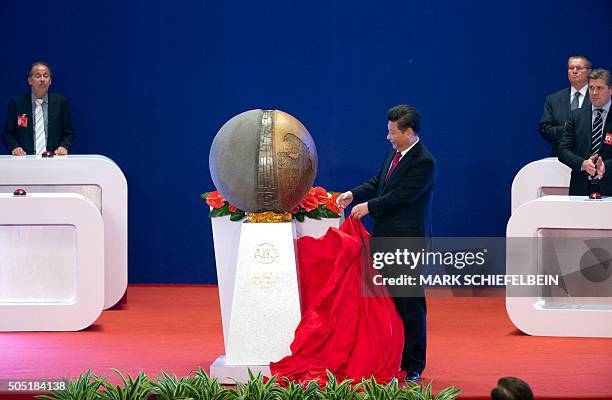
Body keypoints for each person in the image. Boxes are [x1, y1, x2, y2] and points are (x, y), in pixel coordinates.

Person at [336, 104, 436, 381]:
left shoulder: (424, 162)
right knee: (388, 304)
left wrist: (368, 207)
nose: (388, 137)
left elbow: (402, 196)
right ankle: (391, 360)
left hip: (406, 244)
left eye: (393, 132)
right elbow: (379, 183)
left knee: (410, 304)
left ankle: (414, 364)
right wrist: (352, 194)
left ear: (409, 131)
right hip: (385, 241)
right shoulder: (394, 154)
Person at [558, 68, 612, 196]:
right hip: (580, 188)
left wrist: (606, 167)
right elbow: (563, 151)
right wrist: (583, 164)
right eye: (591, 88)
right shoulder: (576, 116)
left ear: (610, 90)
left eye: (599, 88)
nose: (594, 92)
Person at [2, 61, 74, 156]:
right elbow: (8, 134)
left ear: (50, 81)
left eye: (46, 76)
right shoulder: (17, 103)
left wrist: (64, 146)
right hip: (25, 160)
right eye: (38, 76)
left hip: (53, 159)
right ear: (29, 80)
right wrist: (15, 147)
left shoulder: (61, 103)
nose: (42, 79)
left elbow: (68, 133)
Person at [540, 55, 592, 156]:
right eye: (571, 68)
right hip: (560, 159)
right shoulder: (554, 99)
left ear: (589, 71)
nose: (574, 71)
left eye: (579, 68)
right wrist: (569, 129)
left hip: (591, 159)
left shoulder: (599, 97)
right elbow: (545, 129)